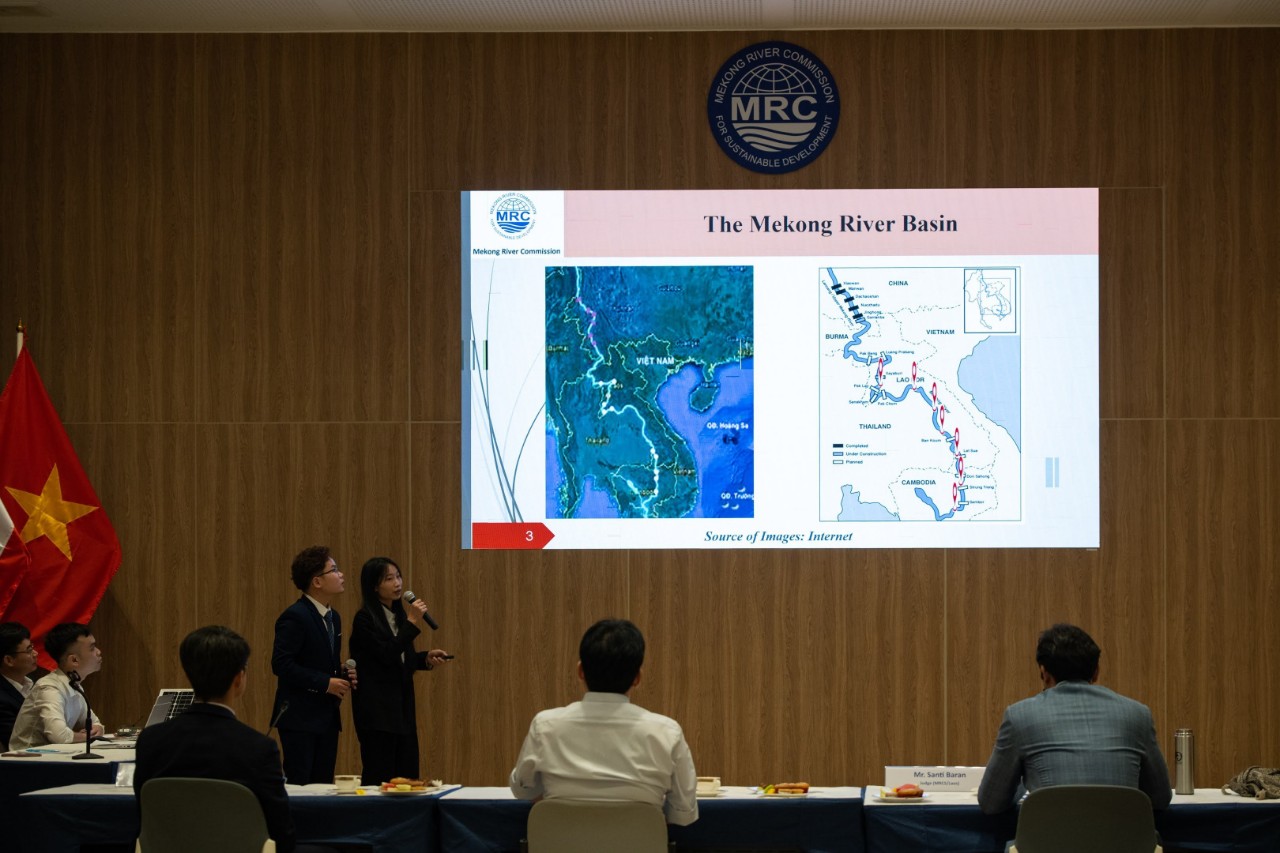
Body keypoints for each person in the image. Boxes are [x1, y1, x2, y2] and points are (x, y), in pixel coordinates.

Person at [509, 618, 698, 826]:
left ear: (580, 671)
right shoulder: (667, 732)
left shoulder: (545, 725)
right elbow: (683, 813)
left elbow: (522, 790)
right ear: (637, 677)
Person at [134, 626, 300, 852]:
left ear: (189, 674)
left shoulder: (150, 741)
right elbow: (282, 833)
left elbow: (144, 819)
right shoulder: (259, 749)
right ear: (239, 679)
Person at [978, 623, 1172, 815]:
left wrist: (1022, 783)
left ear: (1044, 673)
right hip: (1125, 835)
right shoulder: (1138, 714)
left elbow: (991, 802)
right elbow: (1160, 798)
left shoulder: (1019, 716)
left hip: (1050, 835)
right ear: (1096, 672)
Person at [349, 557, 452, 784]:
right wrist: (412, 622)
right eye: (389, 579)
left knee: (406, 776)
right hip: (377, 712)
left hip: (402, 710)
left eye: (398, 576)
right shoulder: (365, 619)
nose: (397, 583)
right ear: (374, 586)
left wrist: (424, 658)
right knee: (381, 776)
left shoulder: (398, 616)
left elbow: (400, 657)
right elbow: (385, 655)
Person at [270, 545, 355, 784]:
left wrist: (341, 672)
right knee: (301, 786)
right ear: (317, 582)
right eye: (334, 570)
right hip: (300, 717)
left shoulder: (333, 617)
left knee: (324, 786)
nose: (341, 574)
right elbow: (281, 664)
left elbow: (319, 660)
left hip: (326, 715)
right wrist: (325, 682)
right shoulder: (295, 616)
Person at [8, 623, 104, 749]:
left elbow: (95, 723)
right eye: (92, 648)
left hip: (49, 757)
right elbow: (59, 736)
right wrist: (88, 736)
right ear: (74, 660)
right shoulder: (49, 688)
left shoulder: (75, 686)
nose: (98, 652)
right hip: (25, 758)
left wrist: (97, 729)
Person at [0, 622, 39, 750]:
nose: (35, 653)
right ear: (9, 660)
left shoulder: (32, 685)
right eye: (29, 650)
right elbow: (18, 741)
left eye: (32, 647)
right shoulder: (2, 699)